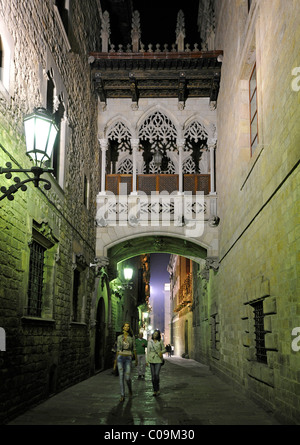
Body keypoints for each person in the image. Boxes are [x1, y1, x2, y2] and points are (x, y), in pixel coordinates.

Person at [114, 322, 137, 402]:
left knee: (127, 378)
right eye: (125, 326)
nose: (126, 327)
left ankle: (130, 389)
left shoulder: (131, 337)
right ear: (123, 327)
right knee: (121, 376)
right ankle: (122, 395)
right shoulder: (119, 337)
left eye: (128, 326)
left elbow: (134, 348)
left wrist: (136, 359)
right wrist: (115, 362)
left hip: (128, 357)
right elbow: (118, 349)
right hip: (120, 357)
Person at [146, 329, 166, 396]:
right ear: (152, 334)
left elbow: (164, 349)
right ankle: (155, 390)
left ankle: (158, 388)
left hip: (158, 359)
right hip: (152, 359)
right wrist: (147, 361)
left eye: (156, 334)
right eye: (154, 334)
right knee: (153, 376)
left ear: (158, 335)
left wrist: (161, 352)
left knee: (156, 375)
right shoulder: (149, 342)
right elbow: (148, 352)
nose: (155, 335)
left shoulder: (160, 341)